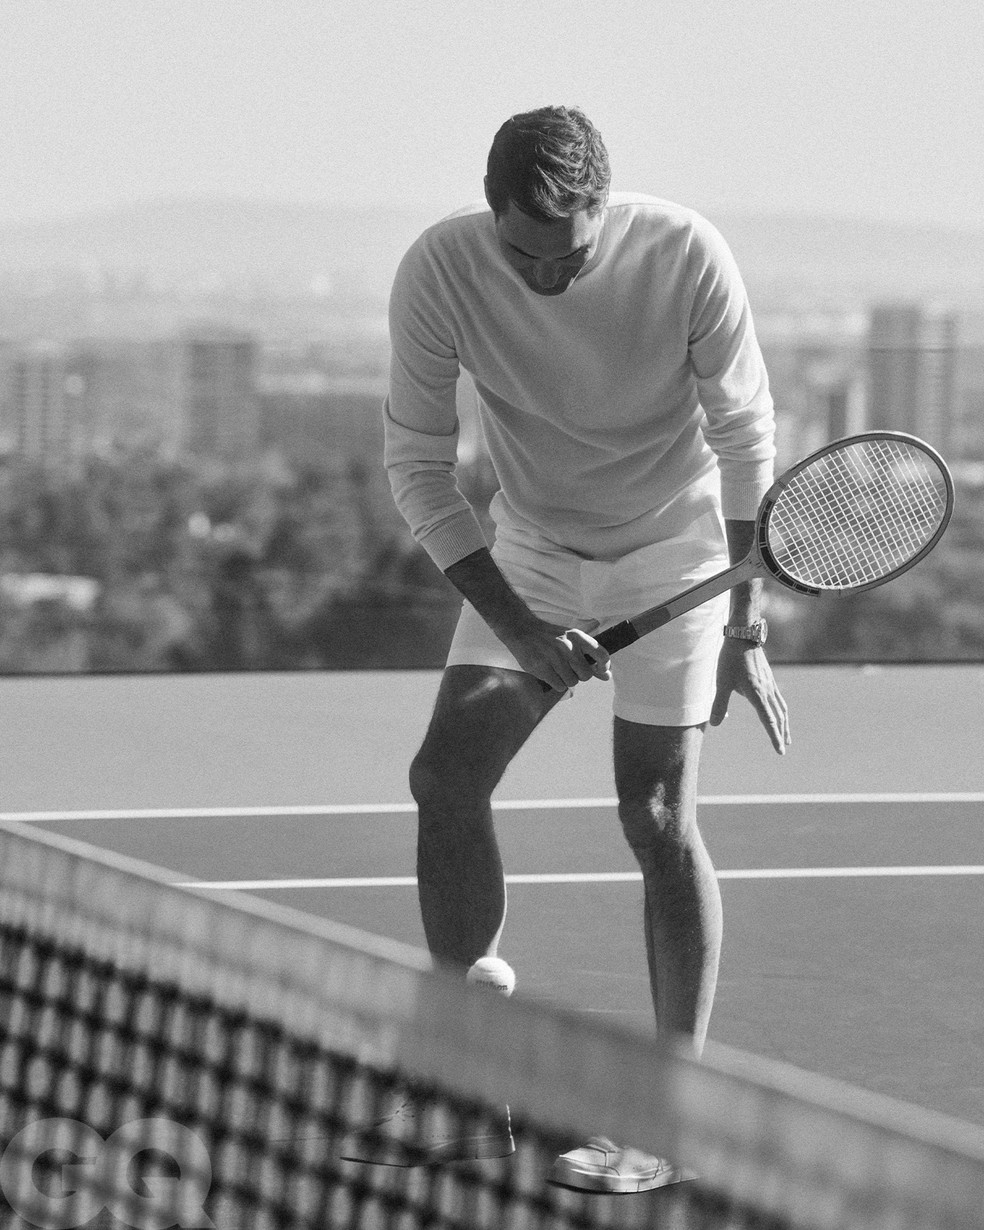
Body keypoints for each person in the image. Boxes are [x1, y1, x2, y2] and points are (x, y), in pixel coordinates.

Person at [346, 105, 790, 1193]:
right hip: (534, 550)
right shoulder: (442, 267)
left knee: (655, 815)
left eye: (570, 257)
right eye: (523, 256)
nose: (544, 277)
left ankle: (669, 1117)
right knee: (445, 777)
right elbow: (418, 467)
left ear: (605, 209)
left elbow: (745, 439)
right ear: (490, 214)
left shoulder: (683, 251)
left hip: (678, 555)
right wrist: (520, 627)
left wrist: (744, 624)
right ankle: (471, 1084)